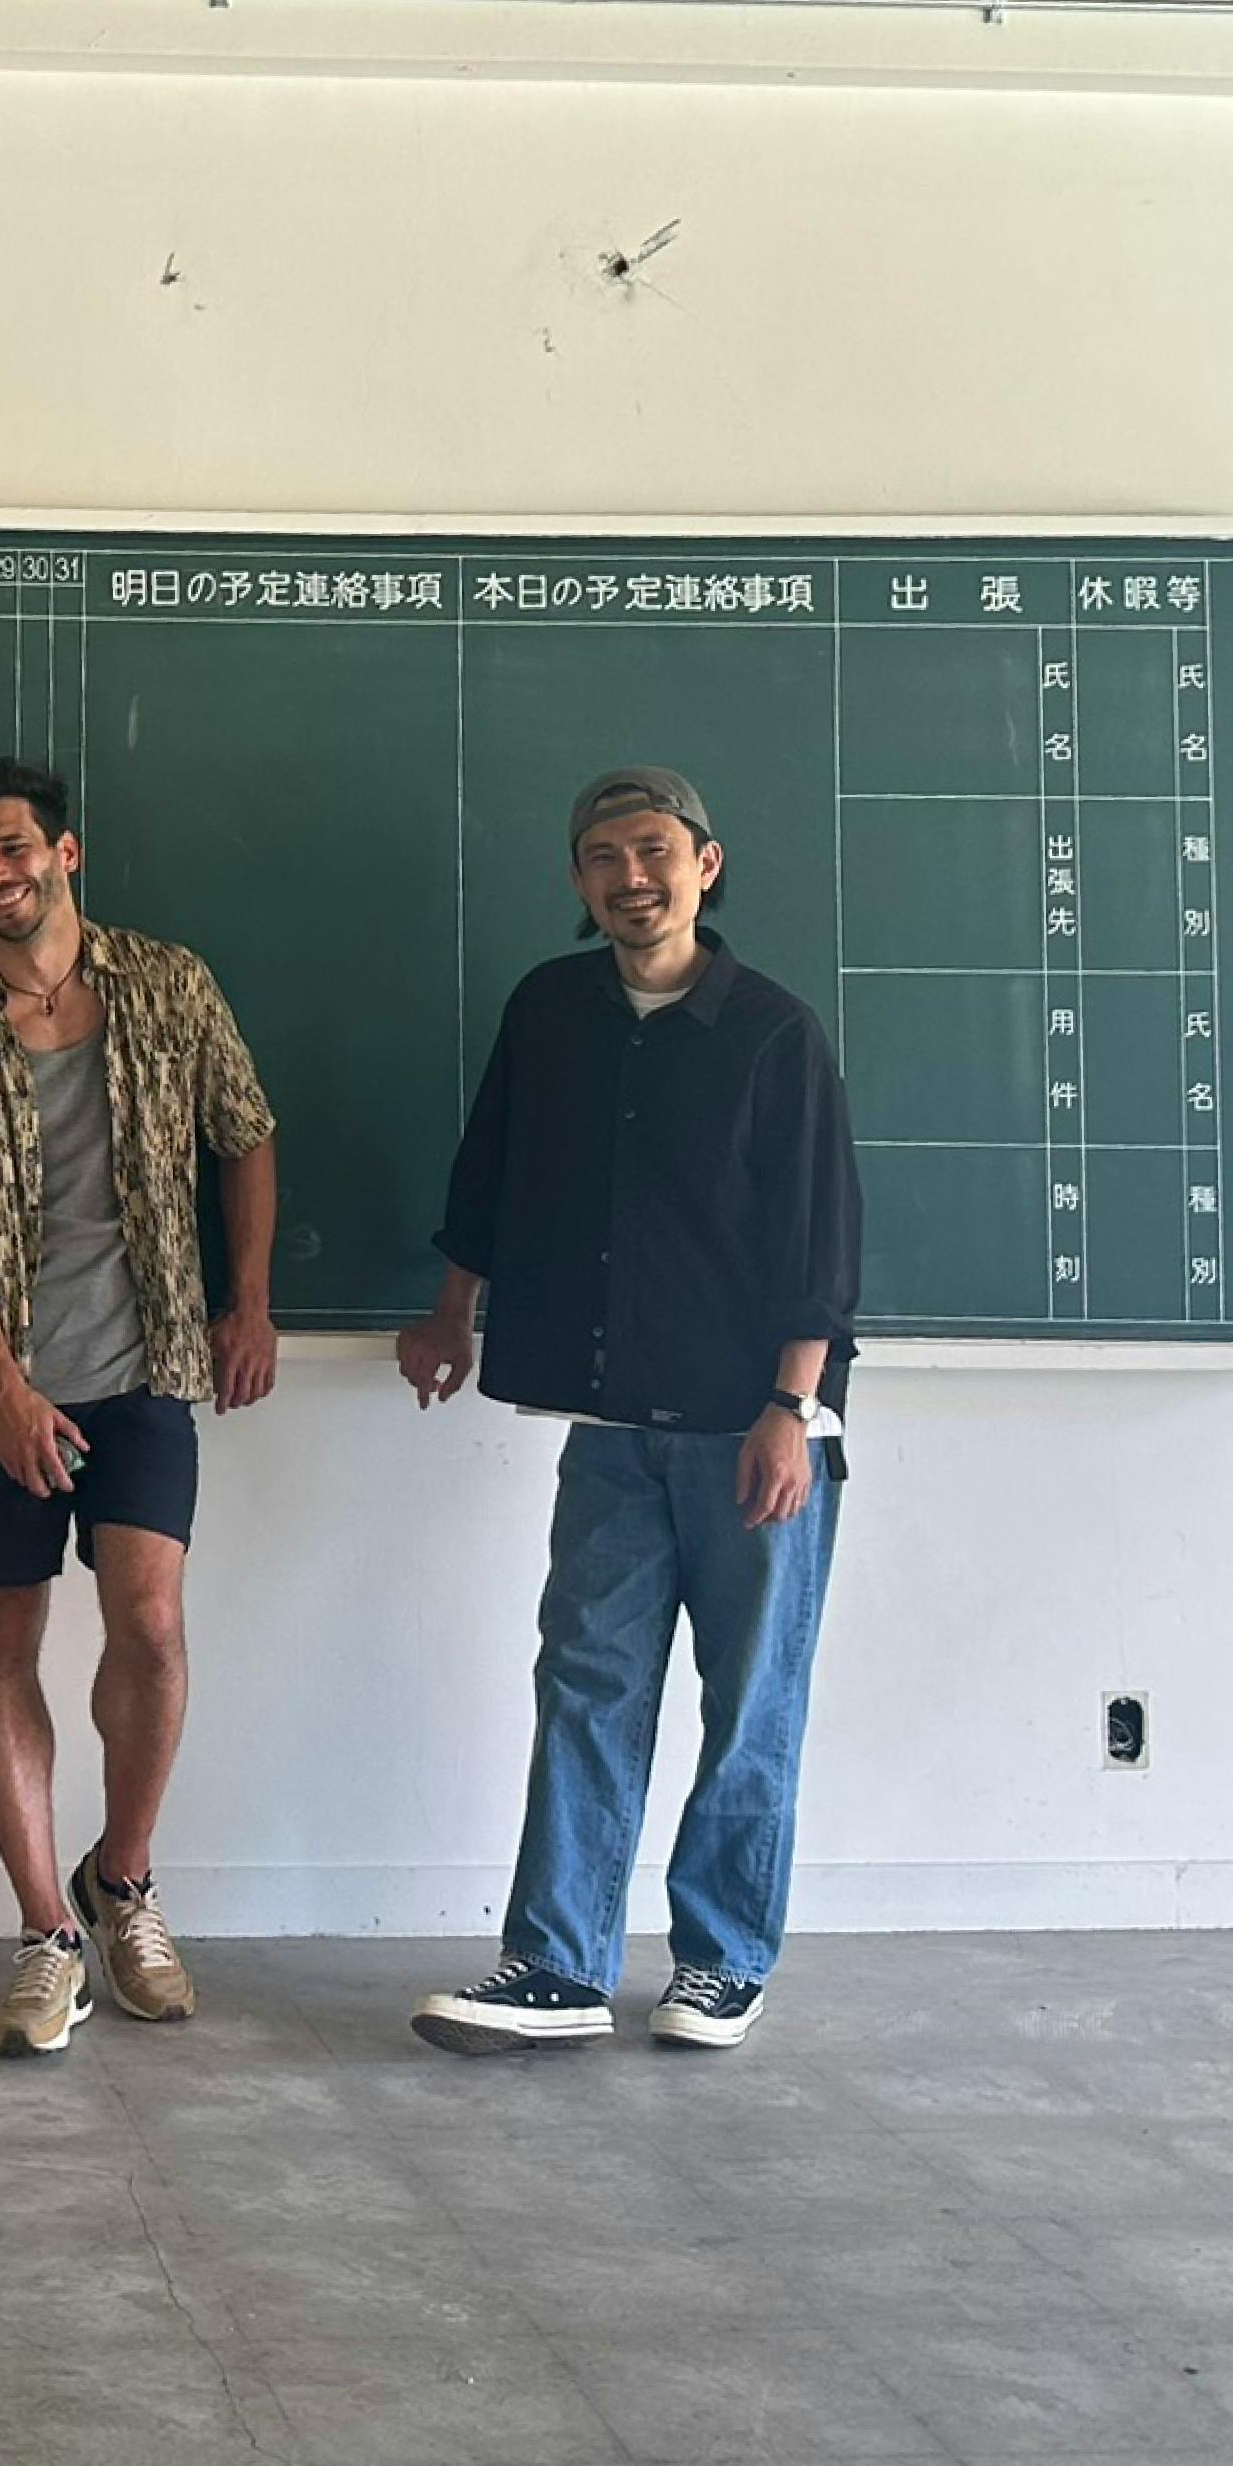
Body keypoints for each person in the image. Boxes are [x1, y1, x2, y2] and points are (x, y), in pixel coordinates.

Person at [399, 766, 859, 2055]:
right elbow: (490, 1170)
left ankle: (721, 1964)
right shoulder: (550, 1010)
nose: (630, 878)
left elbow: (821, 1241)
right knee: (586, 1688)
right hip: (611, 1428)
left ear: (706, 865)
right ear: (579, 879)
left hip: (751, 1425)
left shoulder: (772, 1032)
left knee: (749, 1704)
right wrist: (451, 1312)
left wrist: (791, 1406)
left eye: (653, 851)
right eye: (603, 857)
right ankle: (558, 1966)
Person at [0, 756, 277, 2058]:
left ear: (65, 854)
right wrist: (4, 1389)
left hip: (148, 1363)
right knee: (1, 1640)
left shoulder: (169, 984)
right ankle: (47, 1934)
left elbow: (245, 1132)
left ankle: (126, 1879)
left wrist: (249, 1302)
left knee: (150, 1625)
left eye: (12, 849)